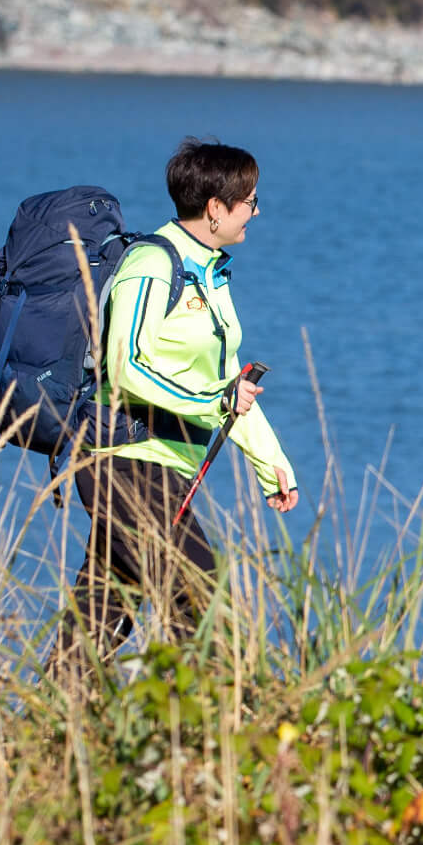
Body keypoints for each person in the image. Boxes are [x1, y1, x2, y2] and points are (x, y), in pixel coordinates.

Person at [68, 137, 299, 656]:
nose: (255, 213)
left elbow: (229, 385)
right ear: (215, 208)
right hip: (125, 467)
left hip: (165, 470)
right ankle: (206, 728)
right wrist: (214, 404)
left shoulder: (209, 274)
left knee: (94, 629)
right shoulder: (151, 263)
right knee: (202, 612)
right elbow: (127, 368)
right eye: (249, 202)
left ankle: (52, 726)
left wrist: (273, 466)